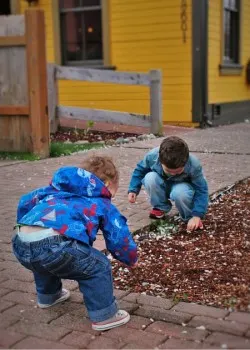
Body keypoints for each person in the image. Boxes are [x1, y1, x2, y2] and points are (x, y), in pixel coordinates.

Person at [12, 156, 138, 331]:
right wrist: (131, 258)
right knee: (98, 266)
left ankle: (49, 296)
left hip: (21, 243)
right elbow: (119, 237)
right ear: (108, 184)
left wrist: (26, 225)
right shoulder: (101, 201)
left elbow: (25, 201)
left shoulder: (52, 190)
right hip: (56, 246)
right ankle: (105, 316)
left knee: (42, 256)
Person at [128, 136, 209, 232]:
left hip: (181, 187)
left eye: (178, 171)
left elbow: (201, 190)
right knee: (150, 178)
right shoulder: (152, 156)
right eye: (168, 171)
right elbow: (140, 170)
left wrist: (197, 215)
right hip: (161, 184)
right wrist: (133, 189)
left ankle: (189, 217)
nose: (173, 174)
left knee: (180, 192)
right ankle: (161, 207)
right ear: (160, 161)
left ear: (185, 162)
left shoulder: (193, 165)